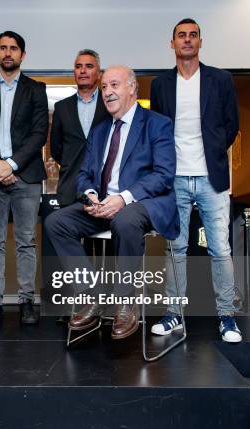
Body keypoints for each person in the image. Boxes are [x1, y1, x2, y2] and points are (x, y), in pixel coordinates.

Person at [45, 66, 179, 340]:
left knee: (125, 219)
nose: (107, 92)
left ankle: (125, 301)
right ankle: (90, 295)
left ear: (132, 88)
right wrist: (91, 195)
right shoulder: (100, 130)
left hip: (142, 203)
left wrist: (123, 198)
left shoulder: (157, 123)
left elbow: (163, 175)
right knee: (56, 221)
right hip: (103, 204)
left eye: (114, 85)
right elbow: (84, 174)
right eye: (104, 87)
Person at [150, 18, 241, 343]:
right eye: (181, 36)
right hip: (174, 179)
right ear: (172, 43)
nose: (187, 40)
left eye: (192, 36)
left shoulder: (220, 79)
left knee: (220, 249)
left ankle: (227, 318)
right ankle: (174, 314)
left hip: (211, 178)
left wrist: (213, 153)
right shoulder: (161, 85)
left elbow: (231, 125)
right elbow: (158, 132)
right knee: (175, 249)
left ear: (200, 42)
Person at [0, 31, 49, 325]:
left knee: (26, 241)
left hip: (26, 176)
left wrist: (13, 164)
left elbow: (38, 134)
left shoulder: (36, 89)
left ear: (22, 54)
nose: (8, 53)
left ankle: (26, 301)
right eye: (3, 48)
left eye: (13, 48)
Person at [50, 49, 110, 207]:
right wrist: (70, 162)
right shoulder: (61, 107)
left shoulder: (110, 105)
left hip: (105, 190)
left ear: (99, 73)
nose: (83, 71)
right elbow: (56, 149)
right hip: (70, 187)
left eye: (89, 66)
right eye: (78, 66)